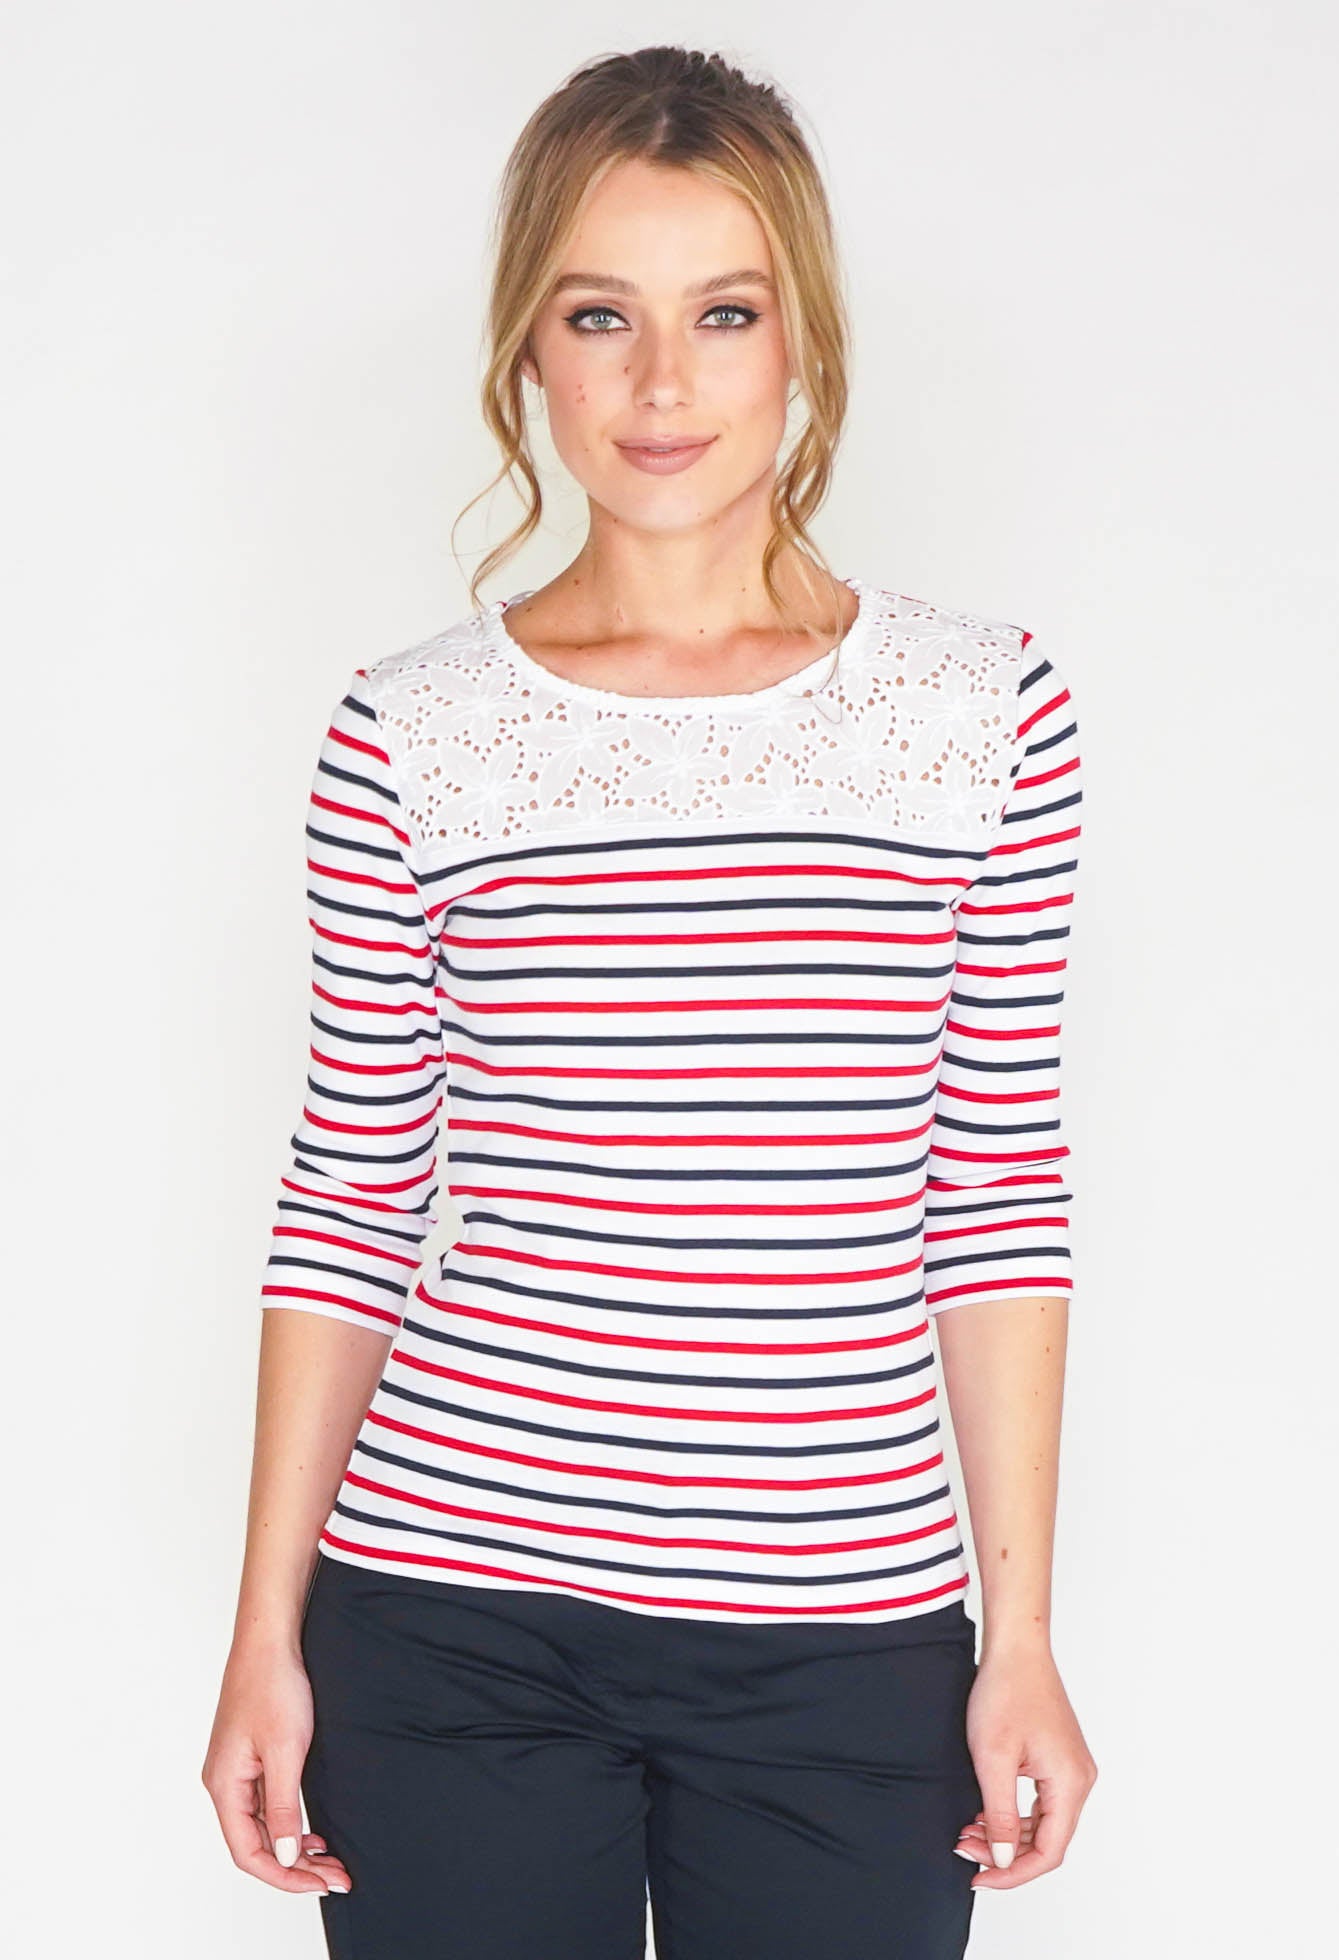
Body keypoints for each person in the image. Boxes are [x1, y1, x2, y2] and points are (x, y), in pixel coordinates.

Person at [202, 43, 1098, 1959]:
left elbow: (995, 1186)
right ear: (532, 348)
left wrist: (1020, 1637)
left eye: (725, 312)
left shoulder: (983, 714)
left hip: (849, 1645)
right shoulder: (410, 733)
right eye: (601, 314)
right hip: (449, 1623)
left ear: (804, 338)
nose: (663, 383)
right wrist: (262, 1634)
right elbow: (352, 1192)